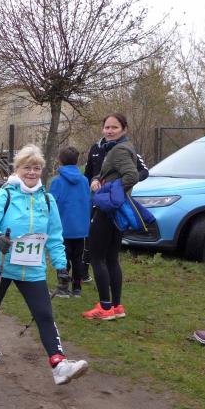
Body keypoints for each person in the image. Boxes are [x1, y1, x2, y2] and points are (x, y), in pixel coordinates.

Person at [0, 144, 88, 385]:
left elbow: (55, 237)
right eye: (27, 167)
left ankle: (59, 365)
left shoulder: (47, 200)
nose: (32, 172)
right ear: (17, 169)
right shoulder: (4, 194)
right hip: (0, 263)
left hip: (32, 268)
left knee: (44, 314)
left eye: (37, 168)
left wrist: (61, 267)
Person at [82, 113, 139, 320]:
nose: (109, 131)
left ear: (124, 129)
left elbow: (132, 175)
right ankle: (116, 306)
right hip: (117, 212)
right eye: (107, 127)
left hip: (107, 210)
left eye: (114, 127)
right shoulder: (120, 147)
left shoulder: (119, 150)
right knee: (112, 259)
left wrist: (110, 192)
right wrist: (97, 179)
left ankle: (105, 308)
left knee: (97, 258)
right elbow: (112, 173)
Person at [49, 146, 91, 298]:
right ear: (76, 160)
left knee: (63, 258)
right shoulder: (84, 180)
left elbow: (51, 205)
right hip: (80, 227)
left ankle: (63, 288)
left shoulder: (57, 182)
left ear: (60, 161)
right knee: (78, 258)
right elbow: (88, 201)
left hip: (62, 227)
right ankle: (77, 289)